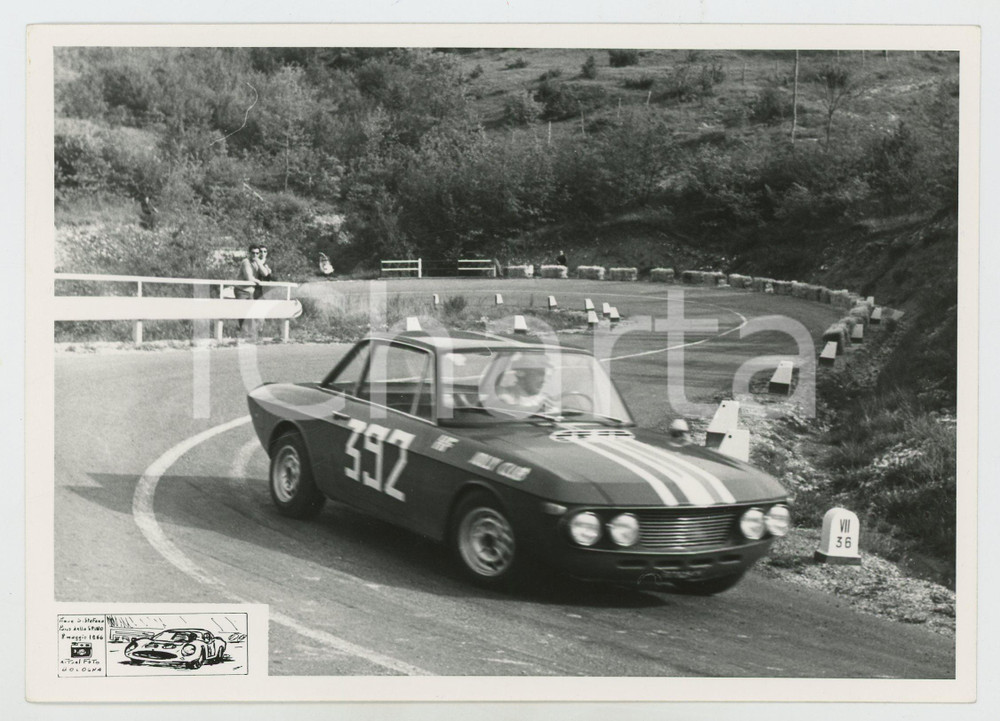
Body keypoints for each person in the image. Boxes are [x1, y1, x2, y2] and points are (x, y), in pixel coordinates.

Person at [234, 244, 261, 332]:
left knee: (251, 312)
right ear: (249, 253)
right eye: (253, 253)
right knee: (243, 312)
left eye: (257, 253)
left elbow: (265, 273)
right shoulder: (246, 261)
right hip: (241, 290)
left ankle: (250, 333)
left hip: (250, 291)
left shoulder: (257, 262)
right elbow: (249, 277)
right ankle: (242, 332)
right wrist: (257, 281)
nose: (255, 255)